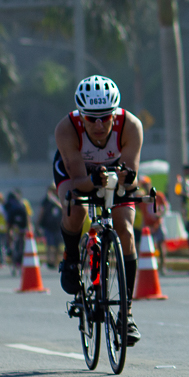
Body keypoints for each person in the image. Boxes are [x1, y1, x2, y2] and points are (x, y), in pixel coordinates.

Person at [53, 75, 144, 345]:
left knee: (125, 229)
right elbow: (79, 181)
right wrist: (93, 180)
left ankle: (127, 314)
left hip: (115, 171)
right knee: (75, 208)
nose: (99, 125)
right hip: (78, 172)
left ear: (115, 113)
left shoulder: (131, 126)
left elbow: (132, 179)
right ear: (81, 116)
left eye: (105, 117)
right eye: (91, 118)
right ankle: (71, 257)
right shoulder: (66, 129)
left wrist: (126, 178)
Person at [135, 176, 168, 274]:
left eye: (146, 184)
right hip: (147, 225)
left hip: (158, 223)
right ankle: (146, 266)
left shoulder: (158, 195)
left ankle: (162, 266)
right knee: (145, 246)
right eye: (143, 185)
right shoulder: (142, 198)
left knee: (161, 245)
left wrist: (160, 214)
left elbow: (165, 207)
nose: (145, 186)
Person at [38, 186, 64, 269]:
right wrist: (39, 224)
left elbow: (63, 209)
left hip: (58, 226)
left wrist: (55, 201)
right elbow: (42, 212)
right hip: (49, 226)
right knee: (50, 245)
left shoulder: (60, 199)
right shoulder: (46, 201)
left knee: (58, 245)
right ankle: (50, 261)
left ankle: (56, 261)